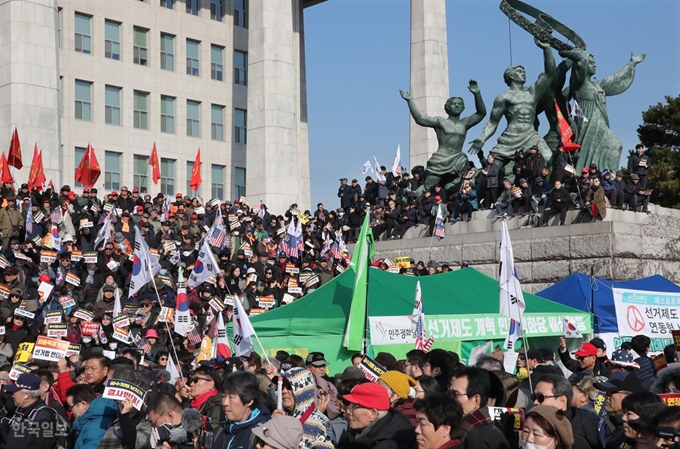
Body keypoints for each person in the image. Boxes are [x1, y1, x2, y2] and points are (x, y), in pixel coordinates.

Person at [469, 39, 555, 181]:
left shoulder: (532, 92)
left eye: (524, 71)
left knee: (548, 158)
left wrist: (547, 49)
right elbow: (492, 122)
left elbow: (549, 74)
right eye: (520, 72)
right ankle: (482, 195)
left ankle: (543, 190)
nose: (524, 74)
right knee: (493, 170)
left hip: (530, 135)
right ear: (510, 76)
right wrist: (482, 138)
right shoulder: (503, 97)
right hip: (509, 138)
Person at [560, 48, 645, 173]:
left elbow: (616, 80)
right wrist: (576, 55)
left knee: (615, 146)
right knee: (615, 144)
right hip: (586, 123)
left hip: (600, 123)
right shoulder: (578, 84)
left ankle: (607, 176)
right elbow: (563, 97)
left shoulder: (598, 85)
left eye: (594, 62)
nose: (594, 65)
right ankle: (595, 174)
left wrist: (631, 64)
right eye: (591, 62)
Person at [400, 80, 486, 195]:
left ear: (463, 108)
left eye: (459, 104)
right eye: (454, 103)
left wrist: (477, 94)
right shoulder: (440, 121)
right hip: (441, 159)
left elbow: (481, 113)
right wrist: (410, 101)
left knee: (471, 178)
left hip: (459, 159)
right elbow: (420, 119)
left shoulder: (465, 123)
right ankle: (410, 197)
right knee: (426, 187)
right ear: (447, 107)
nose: (457, 105)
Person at [532, 374, 602, 449]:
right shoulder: (537, 422)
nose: (535, 402)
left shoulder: (575, 439)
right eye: (533, 397)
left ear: (562, 401)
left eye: (541, 397)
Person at [338, 382, 416, 449]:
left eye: (354, 407)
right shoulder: (358, 428)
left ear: (373, 414)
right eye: (350, 405)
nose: (348, 411)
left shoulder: (387, 445)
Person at [449, 367, 510, 449]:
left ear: (476, 400)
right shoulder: (467, 428)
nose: (449, 398)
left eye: (456, 394)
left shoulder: (479, 438)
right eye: (449, 393)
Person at [212, 371, 272, 449]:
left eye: (231, 397)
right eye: (223, 396)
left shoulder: (262, 434)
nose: (225, 403)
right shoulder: (219, 430)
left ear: (249, 400)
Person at [280, 367, 335, 449]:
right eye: (282, 386)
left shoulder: (320, 424)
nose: (284, 391)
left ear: (302, 389)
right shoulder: (281, 417)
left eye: (289, 386)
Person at [2, 373, 59, 449]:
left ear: (26, 395)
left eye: (15, 391)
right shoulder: (21, 411)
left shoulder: (44, 417)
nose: (12, 395)